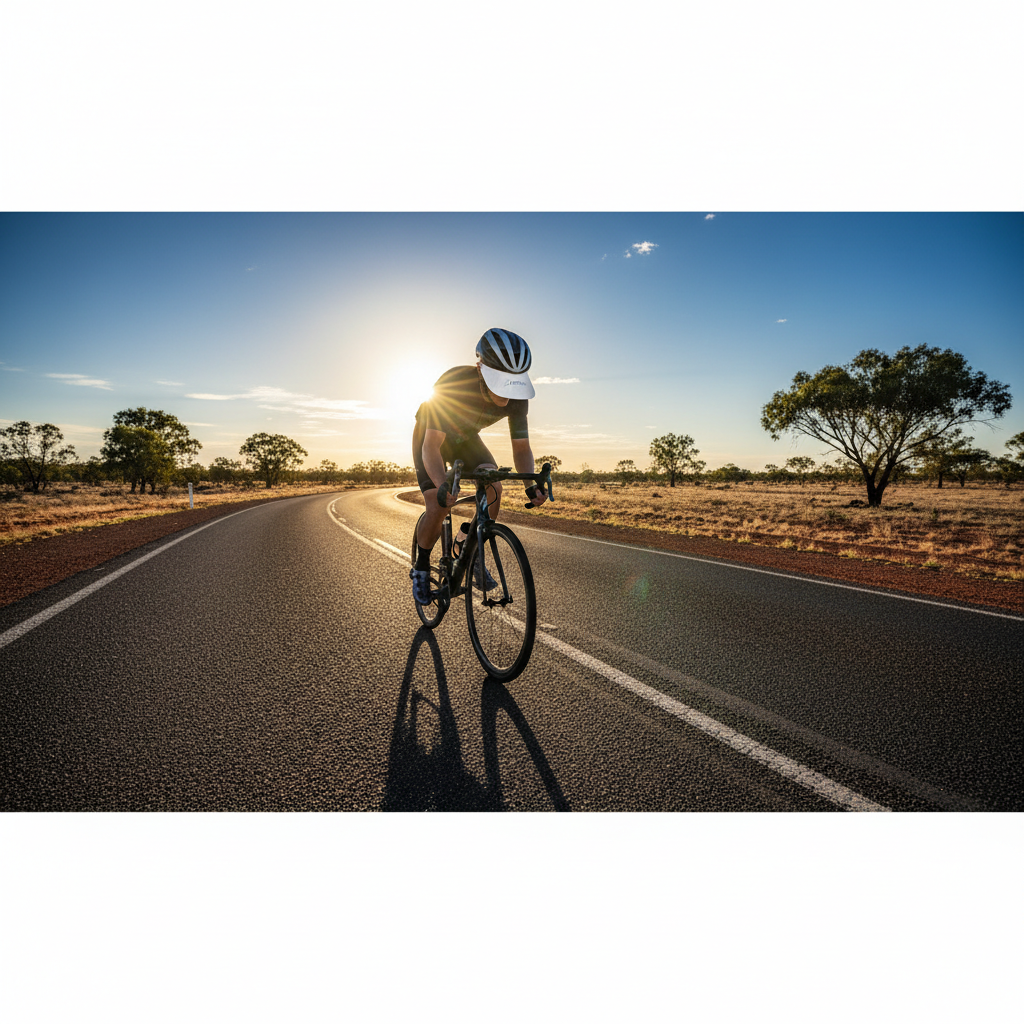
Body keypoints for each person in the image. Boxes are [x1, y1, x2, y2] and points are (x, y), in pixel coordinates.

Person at [410, 328, 549, 604]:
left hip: (466, 440)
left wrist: (530, 486)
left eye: (513, 384)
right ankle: (421, 567)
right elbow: (431, 447)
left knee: (494, 487)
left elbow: (521, 448)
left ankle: (469, 546)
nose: (507, 395)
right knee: (439, 504)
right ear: (480, 369)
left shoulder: (519, 399)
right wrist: (443, 486)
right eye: (500, 383)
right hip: (432, 440)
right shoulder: (454, 384)